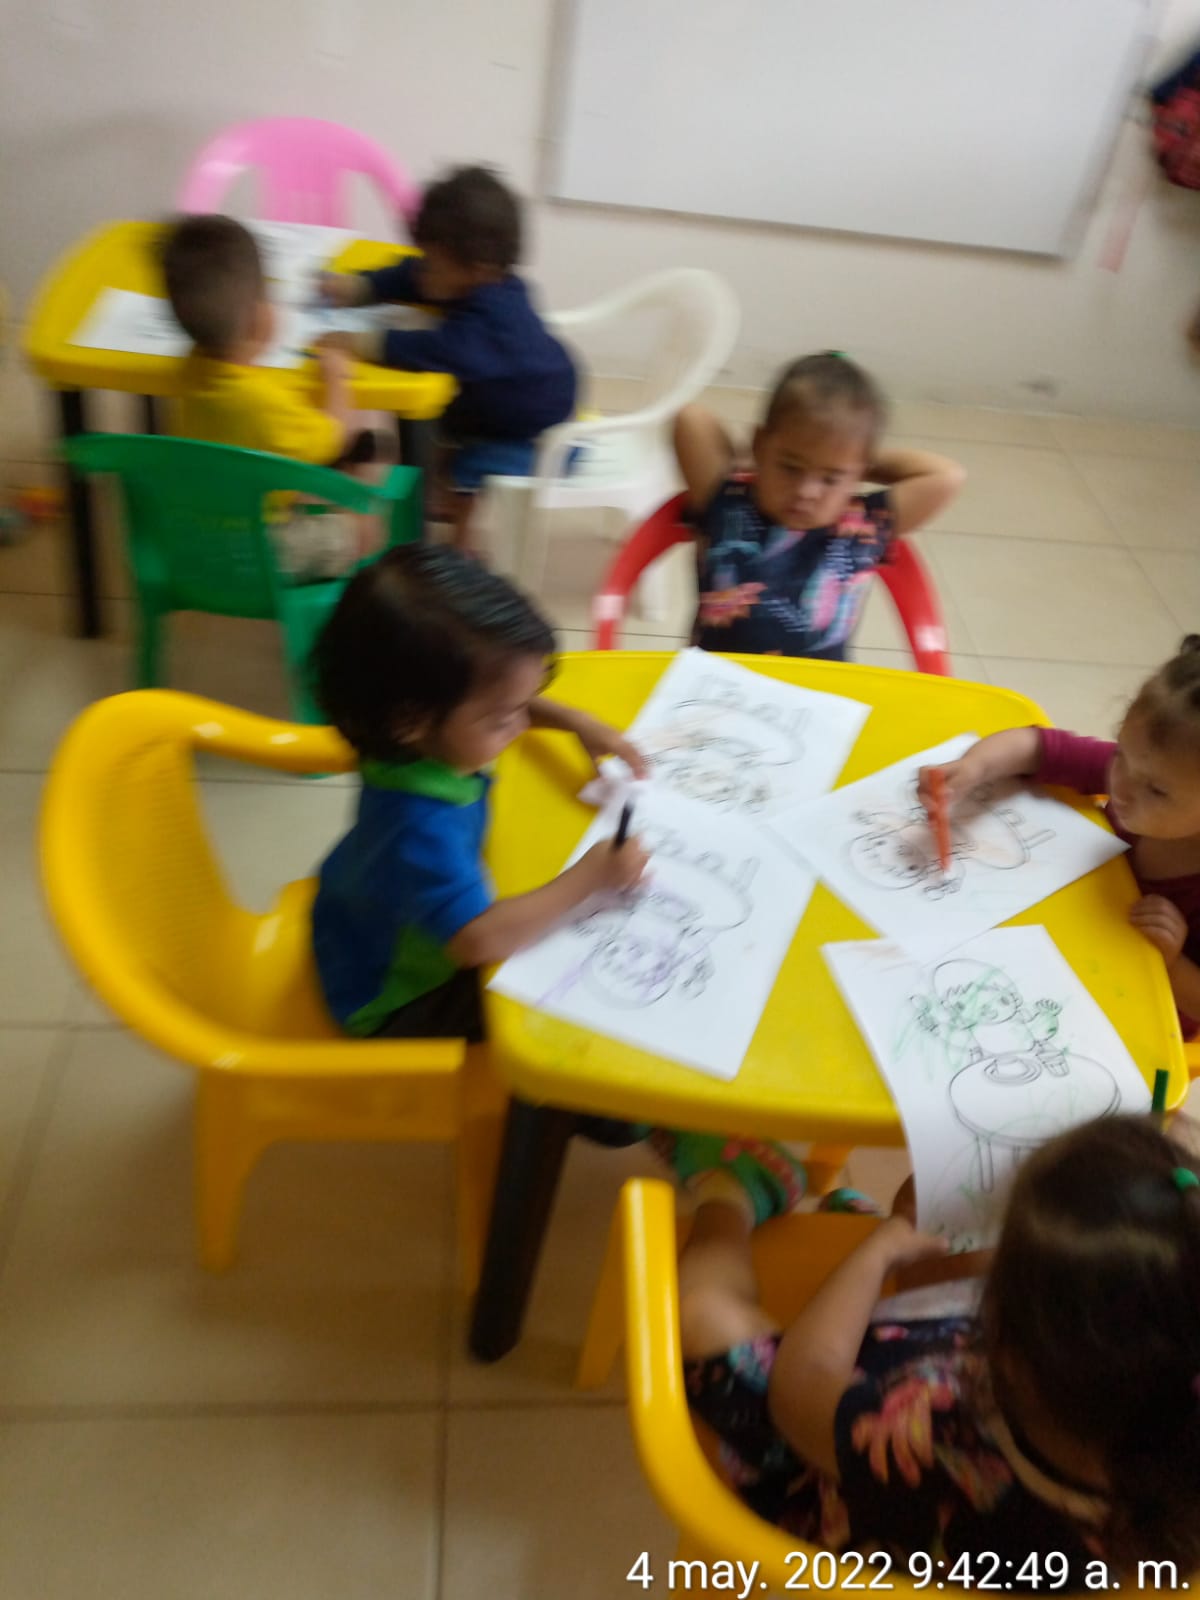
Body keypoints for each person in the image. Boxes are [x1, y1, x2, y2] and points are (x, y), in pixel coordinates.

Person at [676, 1115, 1200, 1585]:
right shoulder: (1175, 1474)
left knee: (702, 1314)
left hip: (840, 1480)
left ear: (1007, 1349)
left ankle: (732, 1193)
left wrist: (879, 1249)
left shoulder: (931, 1438)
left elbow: (799, 1387)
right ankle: (856, 1222)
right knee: (934, 1210)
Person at [310, 544, 646, 1042]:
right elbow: (477, 940)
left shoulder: (399, 735)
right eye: (502, 720)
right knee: (561, 1013)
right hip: (393, 996)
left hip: (351, 918)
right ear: (412, 720)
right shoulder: (420, 824)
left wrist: (577, 722)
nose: (521, 725)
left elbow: (499, 697)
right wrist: (592, 875)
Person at [919, 637, 1200, 1036]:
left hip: (1134, 1014)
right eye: (1121, 754)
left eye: (1156, 791)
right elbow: (1035, 746)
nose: (1120, 787)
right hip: (1066, 935)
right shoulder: (1148, 770)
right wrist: (973, 768)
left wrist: (1172, 961)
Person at [317, 165, 576, 554]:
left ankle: (459, 549)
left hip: (531, 422)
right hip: (497, 396)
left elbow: (437, 351)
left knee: (463, 468)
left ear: (479, 270)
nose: (422, 271)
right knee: (434, 426)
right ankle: (434, 492)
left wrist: (362, 342)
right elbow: (411, 276)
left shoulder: (495, 319)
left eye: (432, 263)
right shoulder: (467, 277)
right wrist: (361, 287)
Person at [673, 352, 965, 660]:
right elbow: (690, 418)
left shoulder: (863, 524)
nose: (807, 491)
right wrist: (830, 458)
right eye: (790, 467)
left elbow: (948, 476)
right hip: (713, 683)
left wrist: (852, 454)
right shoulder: (727, 501)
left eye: (830, 478)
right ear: (760, 444)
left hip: (818, 687)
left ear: (858, 473)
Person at [162, 213, 375, 579]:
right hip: (257, 550)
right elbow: (334, 436)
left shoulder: (189, 368)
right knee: (367, 525)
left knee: (307, 473)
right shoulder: (261, 404)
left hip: (195, 534)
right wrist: (337, 377)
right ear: (257, 318)